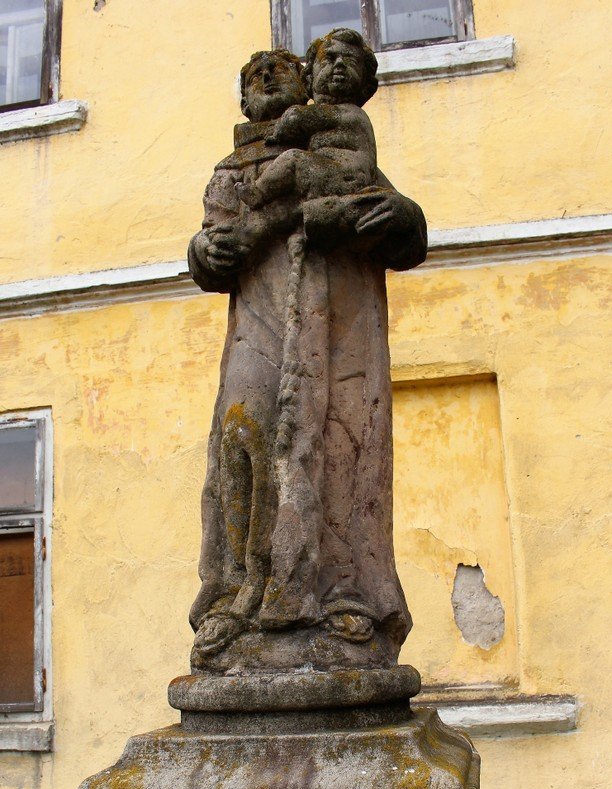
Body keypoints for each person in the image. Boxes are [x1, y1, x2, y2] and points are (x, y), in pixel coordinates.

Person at [187, 35, 428, 672]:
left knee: (341, 449)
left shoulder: (337, 146)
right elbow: (210, 245)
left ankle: (346, 595)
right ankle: (235, 596)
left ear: (307, 85)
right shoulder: (233, 169)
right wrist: (203, 251)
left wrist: (401, 215)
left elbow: (405, 233)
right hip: (260, 325)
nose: (266, 79)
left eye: (280, 69)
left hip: (340, 328)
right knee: (244, 431)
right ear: (244, 100)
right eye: (254, 75)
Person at [235, 29, 378, 211]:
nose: (339, 64)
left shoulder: (346, 113)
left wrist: (277, 133)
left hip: (343, 177)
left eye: (350, 61)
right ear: (309, 78)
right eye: (328, 59)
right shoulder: (233, 165)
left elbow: (295, 117)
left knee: (293, 159)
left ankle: (258, 192)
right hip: (333, 179)